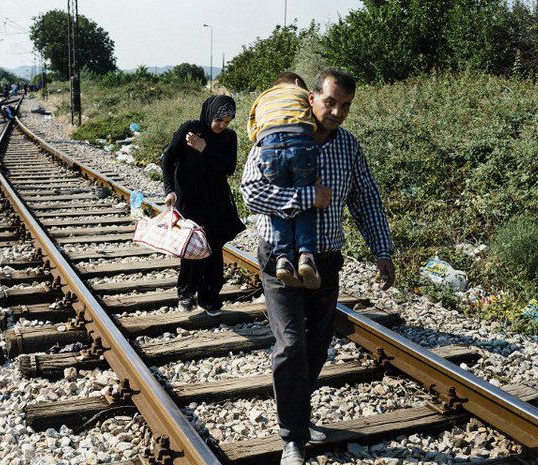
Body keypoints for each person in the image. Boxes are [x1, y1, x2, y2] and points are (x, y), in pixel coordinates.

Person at [240, 68, 395, 465]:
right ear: (312, 98)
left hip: (326, 260)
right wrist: (308, 196)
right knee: (291, 344)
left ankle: (298, 410)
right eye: (330, 102)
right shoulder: (277, 134)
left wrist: (382, 250)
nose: (337, 112)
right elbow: (252, 194)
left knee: (317, 345)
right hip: (279, 258)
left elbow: (366, 199)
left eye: (345, 106)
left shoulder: (348, 147)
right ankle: (293, 436)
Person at [161, 95, 245, 316]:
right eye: (219, 120)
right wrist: (169, 190)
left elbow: (228, 168)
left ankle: (210, 299)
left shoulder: (229, 138)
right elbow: (168, 158)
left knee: (214, 248)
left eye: (227, 122)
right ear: (211, 115)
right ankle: (186, 293)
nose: (222, 126)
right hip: (188, 198)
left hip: (216, 199)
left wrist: (205, 149)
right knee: (192, 246)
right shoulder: (191, 129)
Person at [247, 71, 320, 289]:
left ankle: (283, 259)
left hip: (269, 147)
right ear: (298, 83)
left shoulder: (262, 98)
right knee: (306, 200)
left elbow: (252, 131)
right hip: (301, 143)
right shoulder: (302, 92)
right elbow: (315, 116)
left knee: (278, 204)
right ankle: (306, 256)